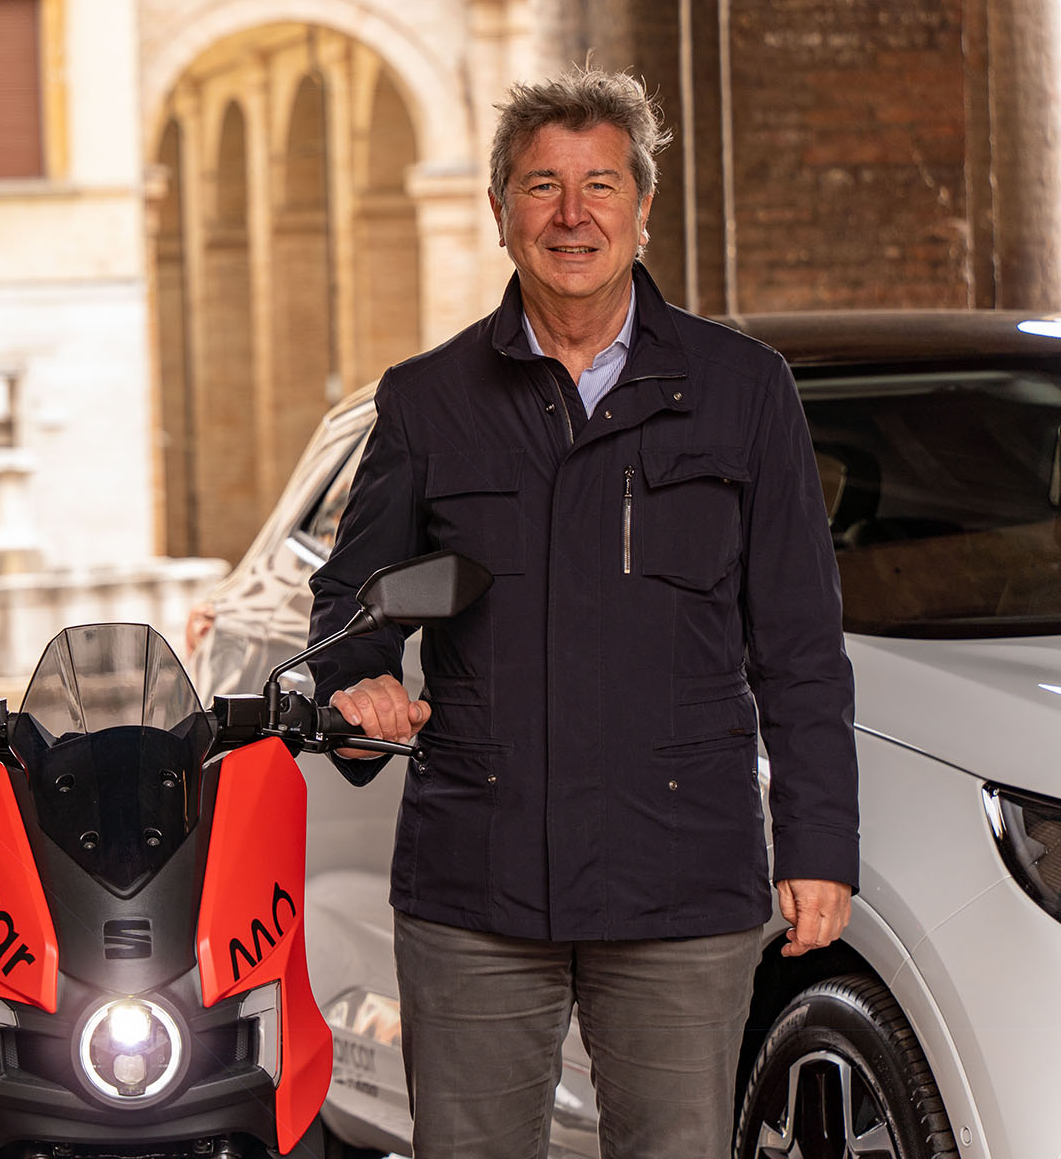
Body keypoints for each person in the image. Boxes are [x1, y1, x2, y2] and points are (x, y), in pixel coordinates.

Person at [309, 69, 858, 1157]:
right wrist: (356, 685)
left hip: (680, 876)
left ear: (643, 207)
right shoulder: (428, 400)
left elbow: (800, 645)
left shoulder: (743, 390)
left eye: (600, 185)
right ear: (500, 211)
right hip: (479, 879)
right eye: (542, 186)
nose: (573, 215)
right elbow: (350, 607)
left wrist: (819, 843)